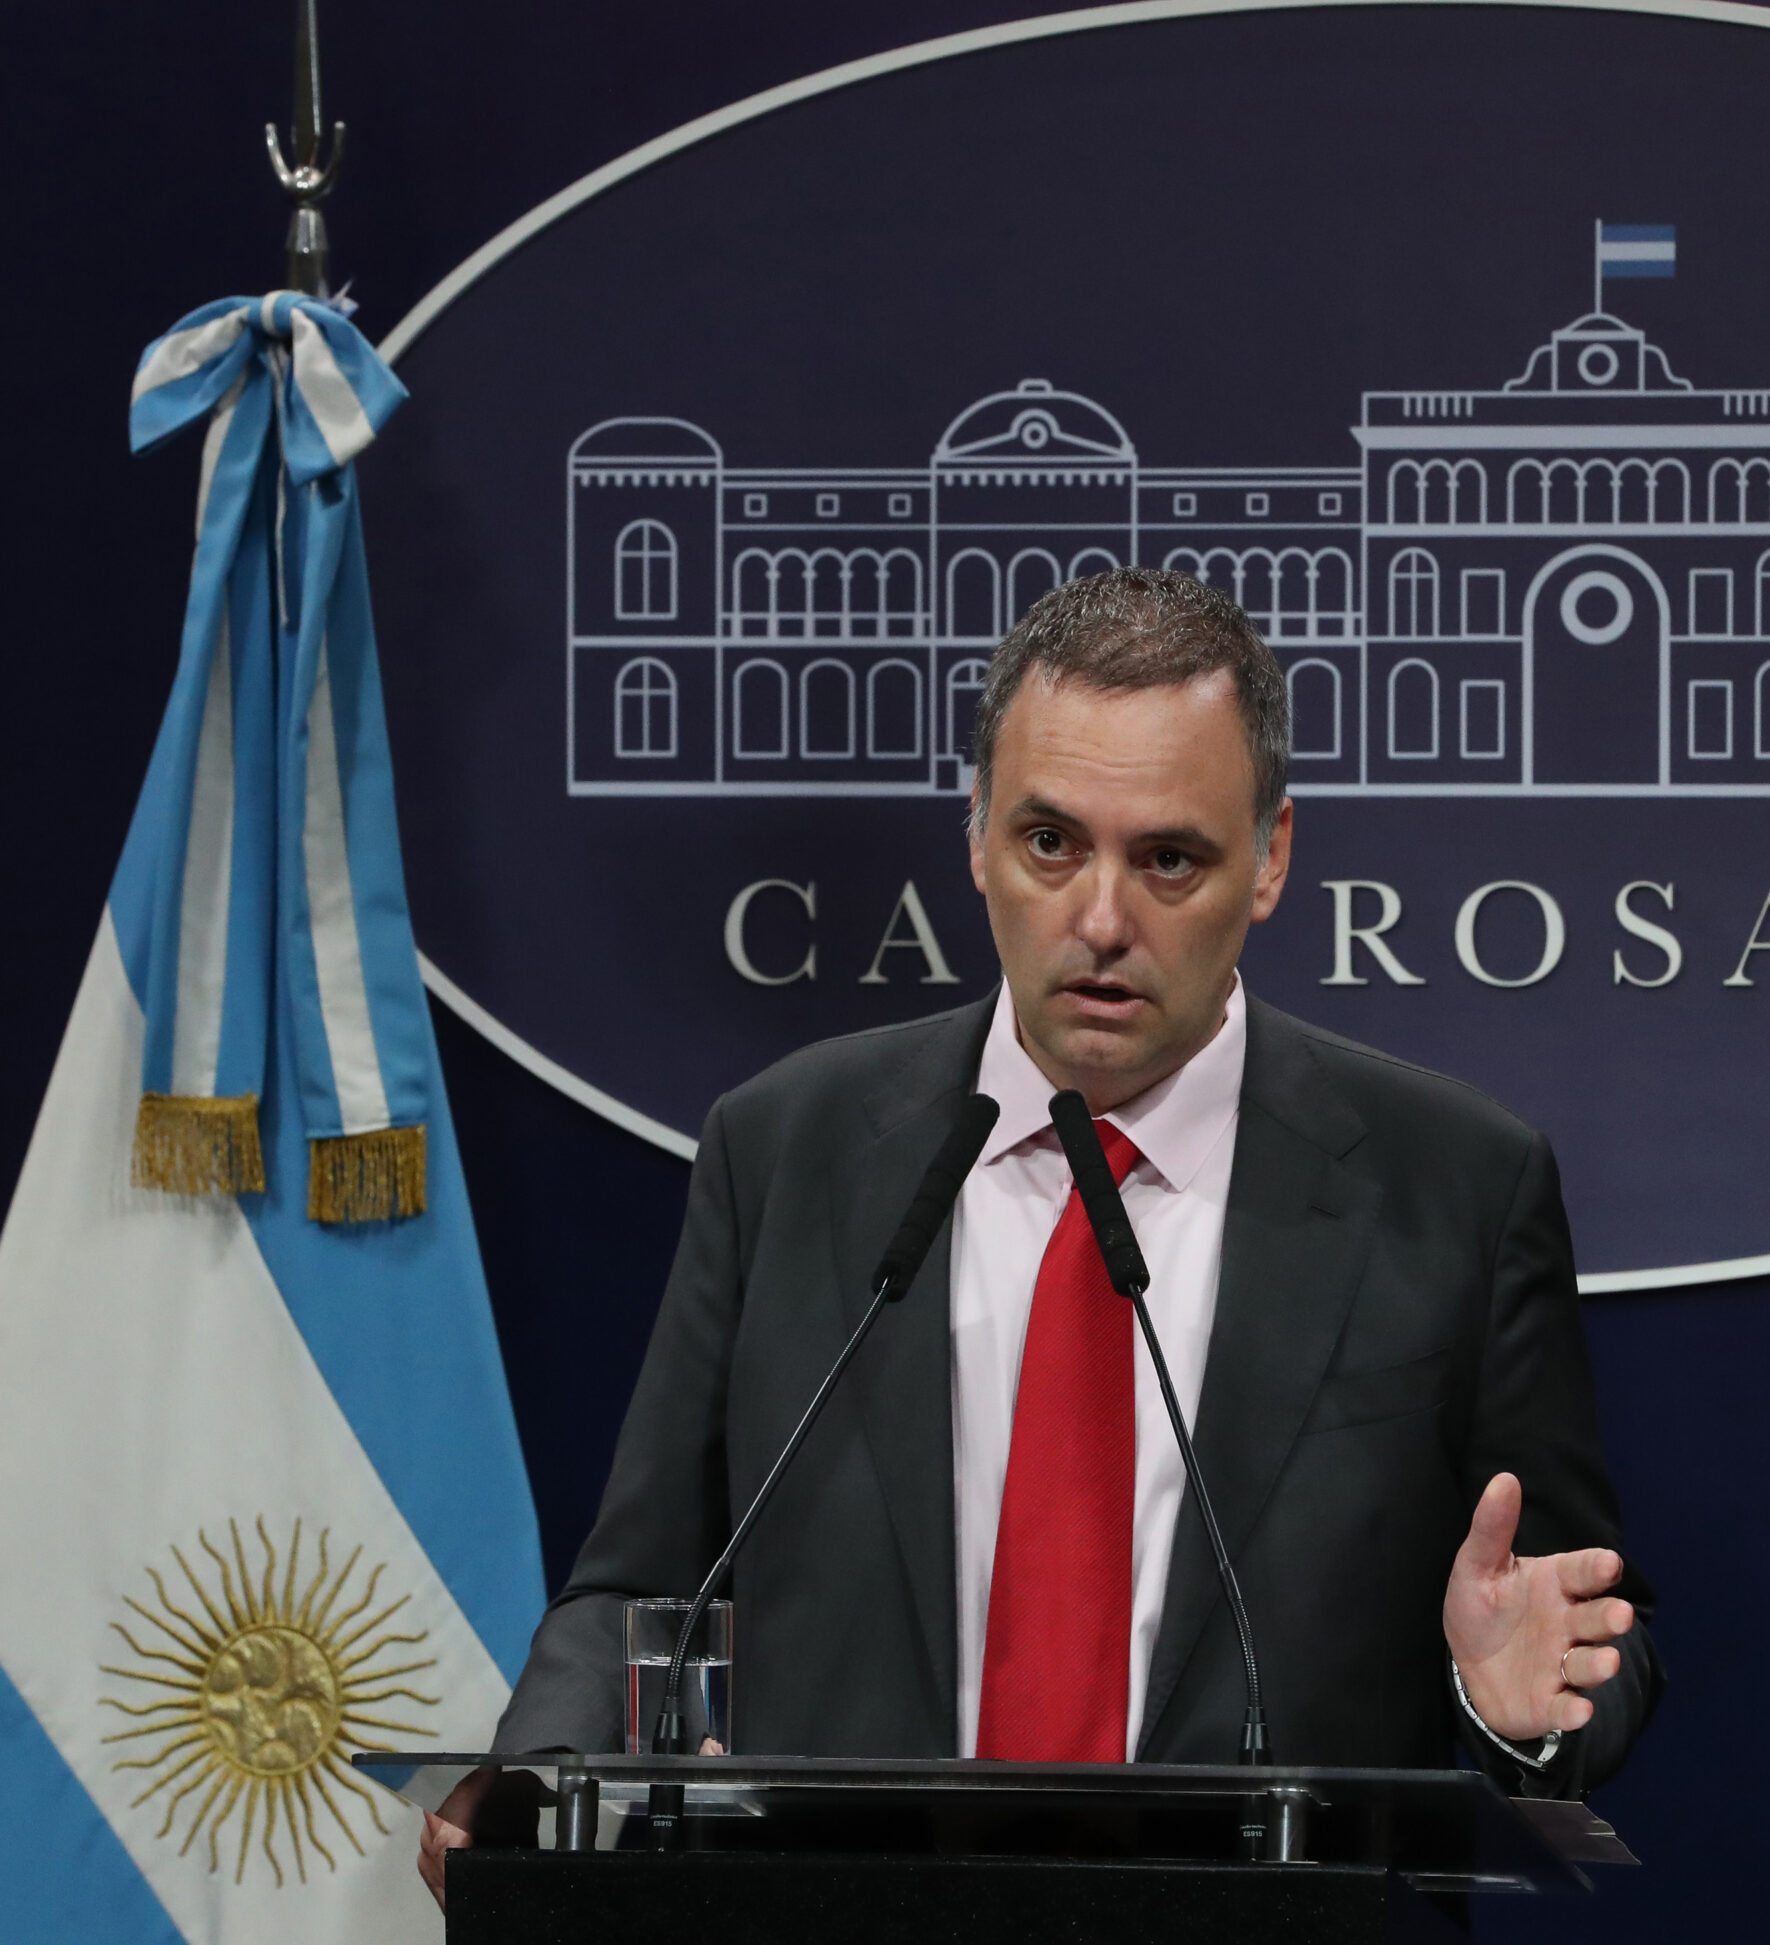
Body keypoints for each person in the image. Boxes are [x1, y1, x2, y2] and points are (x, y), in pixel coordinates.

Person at [420, 568, 1661, 1904]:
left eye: (1169, 858)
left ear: (1271, 858)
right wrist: (537, 1779)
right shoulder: (787, 1151)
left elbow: (1579, 1621)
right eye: (1051, 842)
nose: (1102, 920)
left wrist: (1514, 1700)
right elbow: (642, 1584)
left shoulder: (1454, 1189)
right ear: (978, 836)